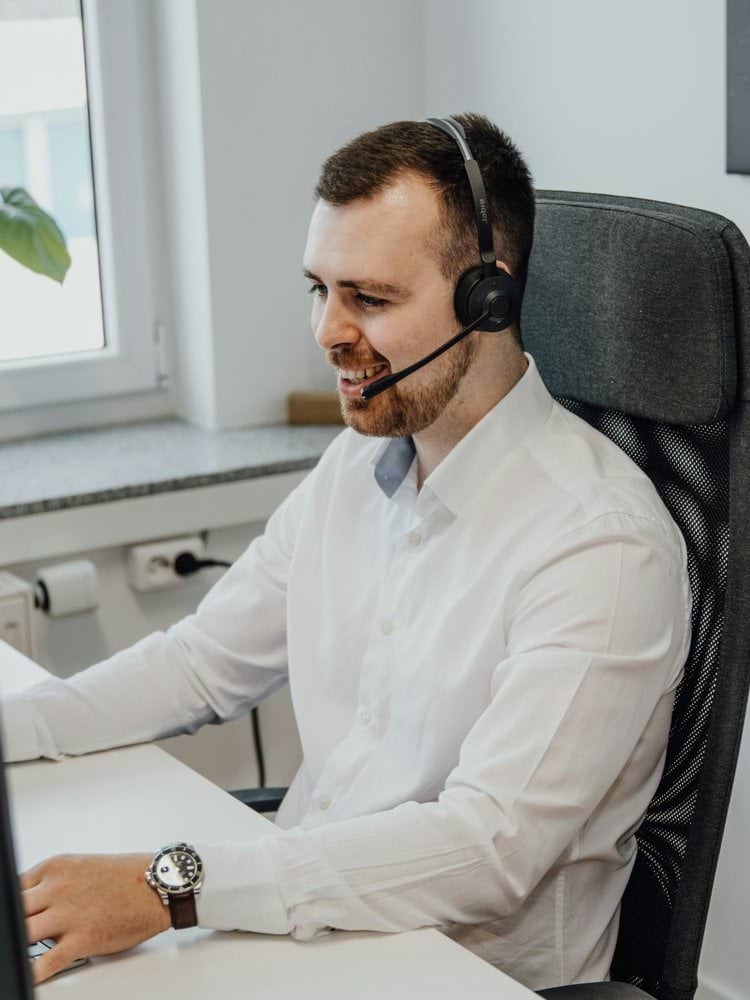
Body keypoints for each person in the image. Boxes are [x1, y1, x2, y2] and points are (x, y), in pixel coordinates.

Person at [0, 113, 691, 990]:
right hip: (299, 932)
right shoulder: (356, 462)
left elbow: (488, 846)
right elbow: (200, 666)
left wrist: (168, 886)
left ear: (490, 298)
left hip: (448, 972)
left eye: (369, 298)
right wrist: (15, 729)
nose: (327, 331)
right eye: (318, 289)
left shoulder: (602, 544)